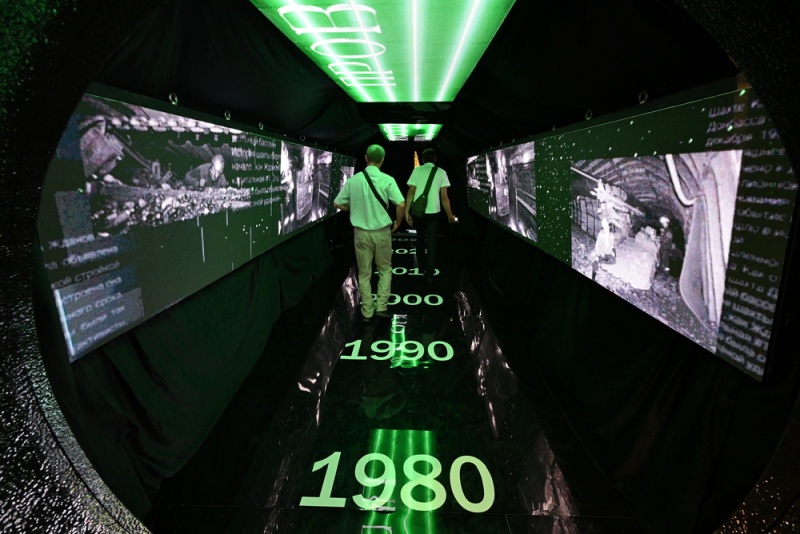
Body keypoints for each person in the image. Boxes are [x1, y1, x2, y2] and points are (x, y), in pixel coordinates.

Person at [334, 145, 405, 322]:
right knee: (385, 269)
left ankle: (367, 311)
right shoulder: (387, 179)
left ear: (366, 158)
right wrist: (398, 223)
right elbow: (401, 204)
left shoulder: (353, 180)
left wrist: (354, 208)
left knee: (364, 273)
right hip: (382, 233)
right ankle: (381, 306)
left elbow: (337, 203)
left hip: (361, 233)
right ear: (382, 160)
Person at [404, 148, 456, 284]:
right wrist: (450, 215)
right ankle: (429, 274)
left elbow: (411, 192)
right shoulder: (441, 172)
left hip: (418, 213)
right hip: (434, 212)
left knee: (420, 239)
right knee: (432, 241)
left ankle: (421, 267)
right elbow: (444, 197)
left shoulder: (417, 171)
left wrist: (406, 211)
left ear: (422, 159)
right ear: (435, 159)